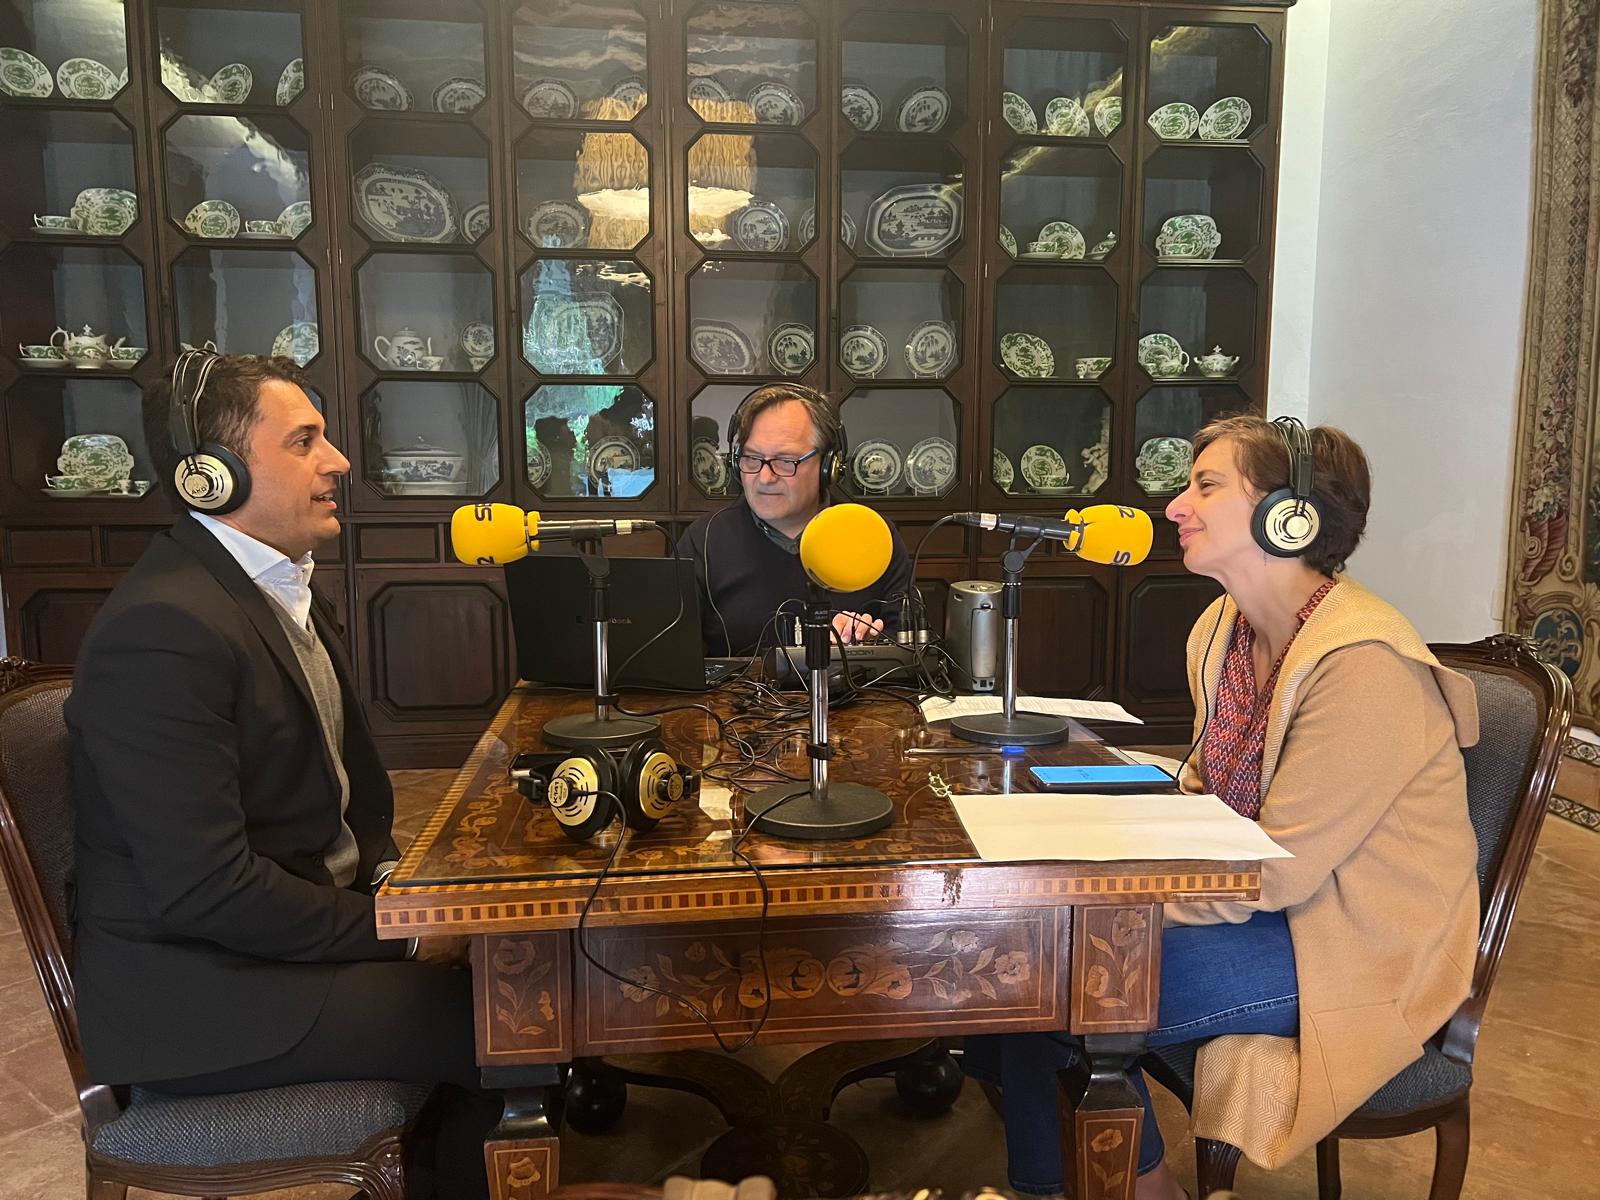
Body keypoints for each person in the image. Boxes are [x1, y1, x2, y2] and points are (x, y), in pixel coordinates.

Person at [962, 415, 1480, 1198]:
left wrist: (1103, 899)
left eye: (1206, 485)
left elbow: (1276, 874)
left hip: (1352, 946)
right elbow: (1208, 791)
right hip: (1274, 908)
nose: (1175, 506)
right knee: (1020, 965)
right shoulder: (1223, 628)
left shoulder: (1364, 666)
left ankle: (1137, 1188)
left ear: (1291, 515)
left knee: (1049, 986)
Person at [66, 353, 500, 1200]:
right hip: (201, 996)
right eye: (304, 442)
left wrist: (411, 889)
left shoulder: (266, 587)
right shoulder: (162, 629)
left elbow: (349, 812)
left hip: (270, 951)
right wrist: (406, 934)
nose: (337, 461)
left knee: (519, 965)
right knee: (508, 1014)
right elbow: (205, 891)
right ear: (211, 474)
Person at [678, 383, 914, 656]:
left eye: (785, 461)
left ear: (828, 466)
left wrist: (869, 645)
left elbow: (909, 652)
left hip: (851, 697)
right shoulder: (703, 541)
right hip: (737, 697)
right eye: (752, 459)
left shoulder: (873, 535)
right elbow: (673, 654)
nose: (765, 478)